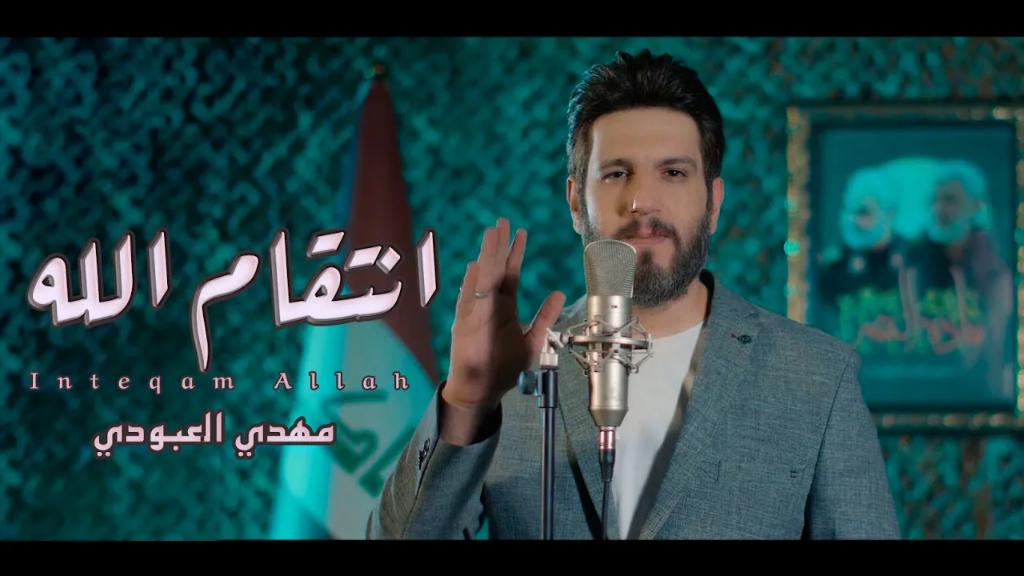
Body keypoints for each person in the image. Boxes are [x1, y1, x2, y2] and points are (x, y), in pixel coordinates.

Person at [367, 50, 900, 540]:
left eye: (673, 173)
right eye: (617, 173)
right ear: (576, 202)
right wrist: (467, 400)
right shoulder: (514, 368)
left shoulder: (816, 376)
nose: (642, 200)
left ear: (713, 203)